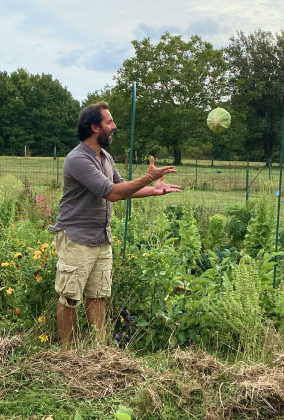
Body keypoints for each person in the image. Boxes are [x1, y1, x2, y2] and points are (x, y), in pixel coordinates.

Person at [50, 101, 181, 349]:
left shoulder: (106, 157)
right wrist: (148, 177)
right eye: (109, 122)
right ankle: (65, 353)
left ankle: (100, 350)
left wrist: (153, 190)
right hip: (76, 238)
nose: (115, 126)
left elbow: (122, 187)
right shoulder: (78, 159)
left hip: (101, 237)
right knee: (69, 297)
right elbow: (111, 193)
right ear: (94, 127)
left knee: (98, 296)